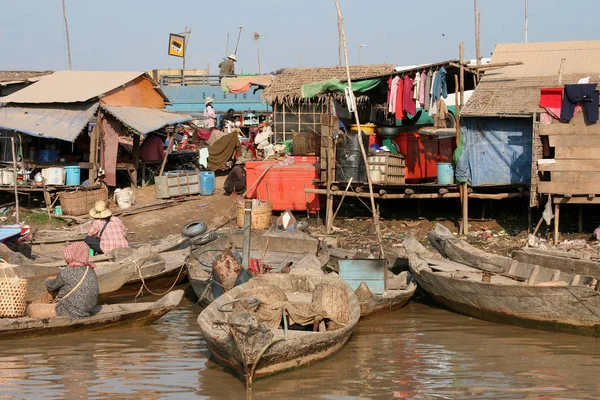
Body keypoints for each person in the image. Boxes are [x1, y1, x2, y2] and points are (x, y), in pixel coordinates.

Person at [27, 242, 99, 319]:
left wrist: (49, 280)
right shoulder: (90, 270)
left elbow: (51, 286)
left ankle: (39, 303)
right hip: (87, 309)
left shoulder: (69, 271)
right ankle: (42, 303)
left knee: (30, 308)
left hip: (70, 311)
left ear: (73, 254)